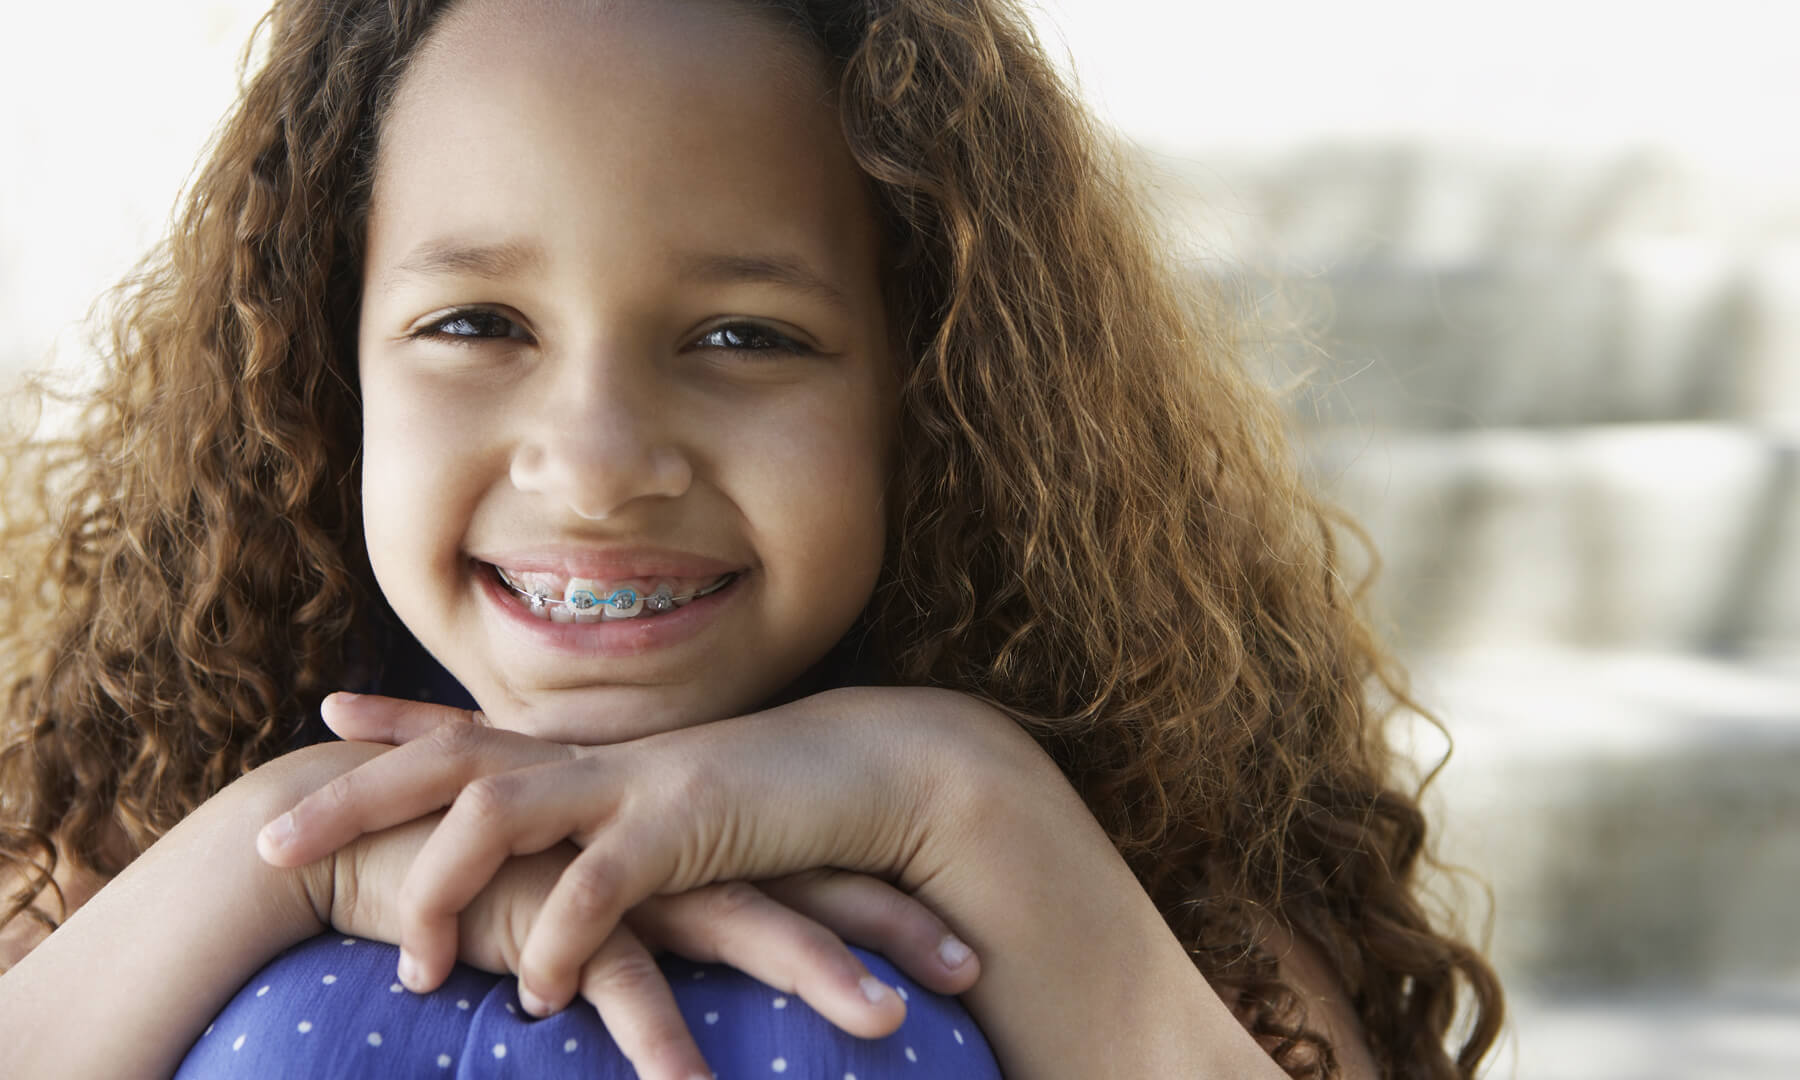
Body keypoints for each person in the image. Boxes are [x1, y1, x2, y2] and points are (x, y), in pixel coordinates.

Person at [0, 0, 1505, 1077]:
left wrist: (959, 798)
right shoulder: (142, 796)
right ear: (326, 377)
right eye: (476, 322)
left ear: (934, 387)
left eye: (742, 334)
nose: (595, 469)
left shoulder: (1144, 846)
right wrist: (295, 850)